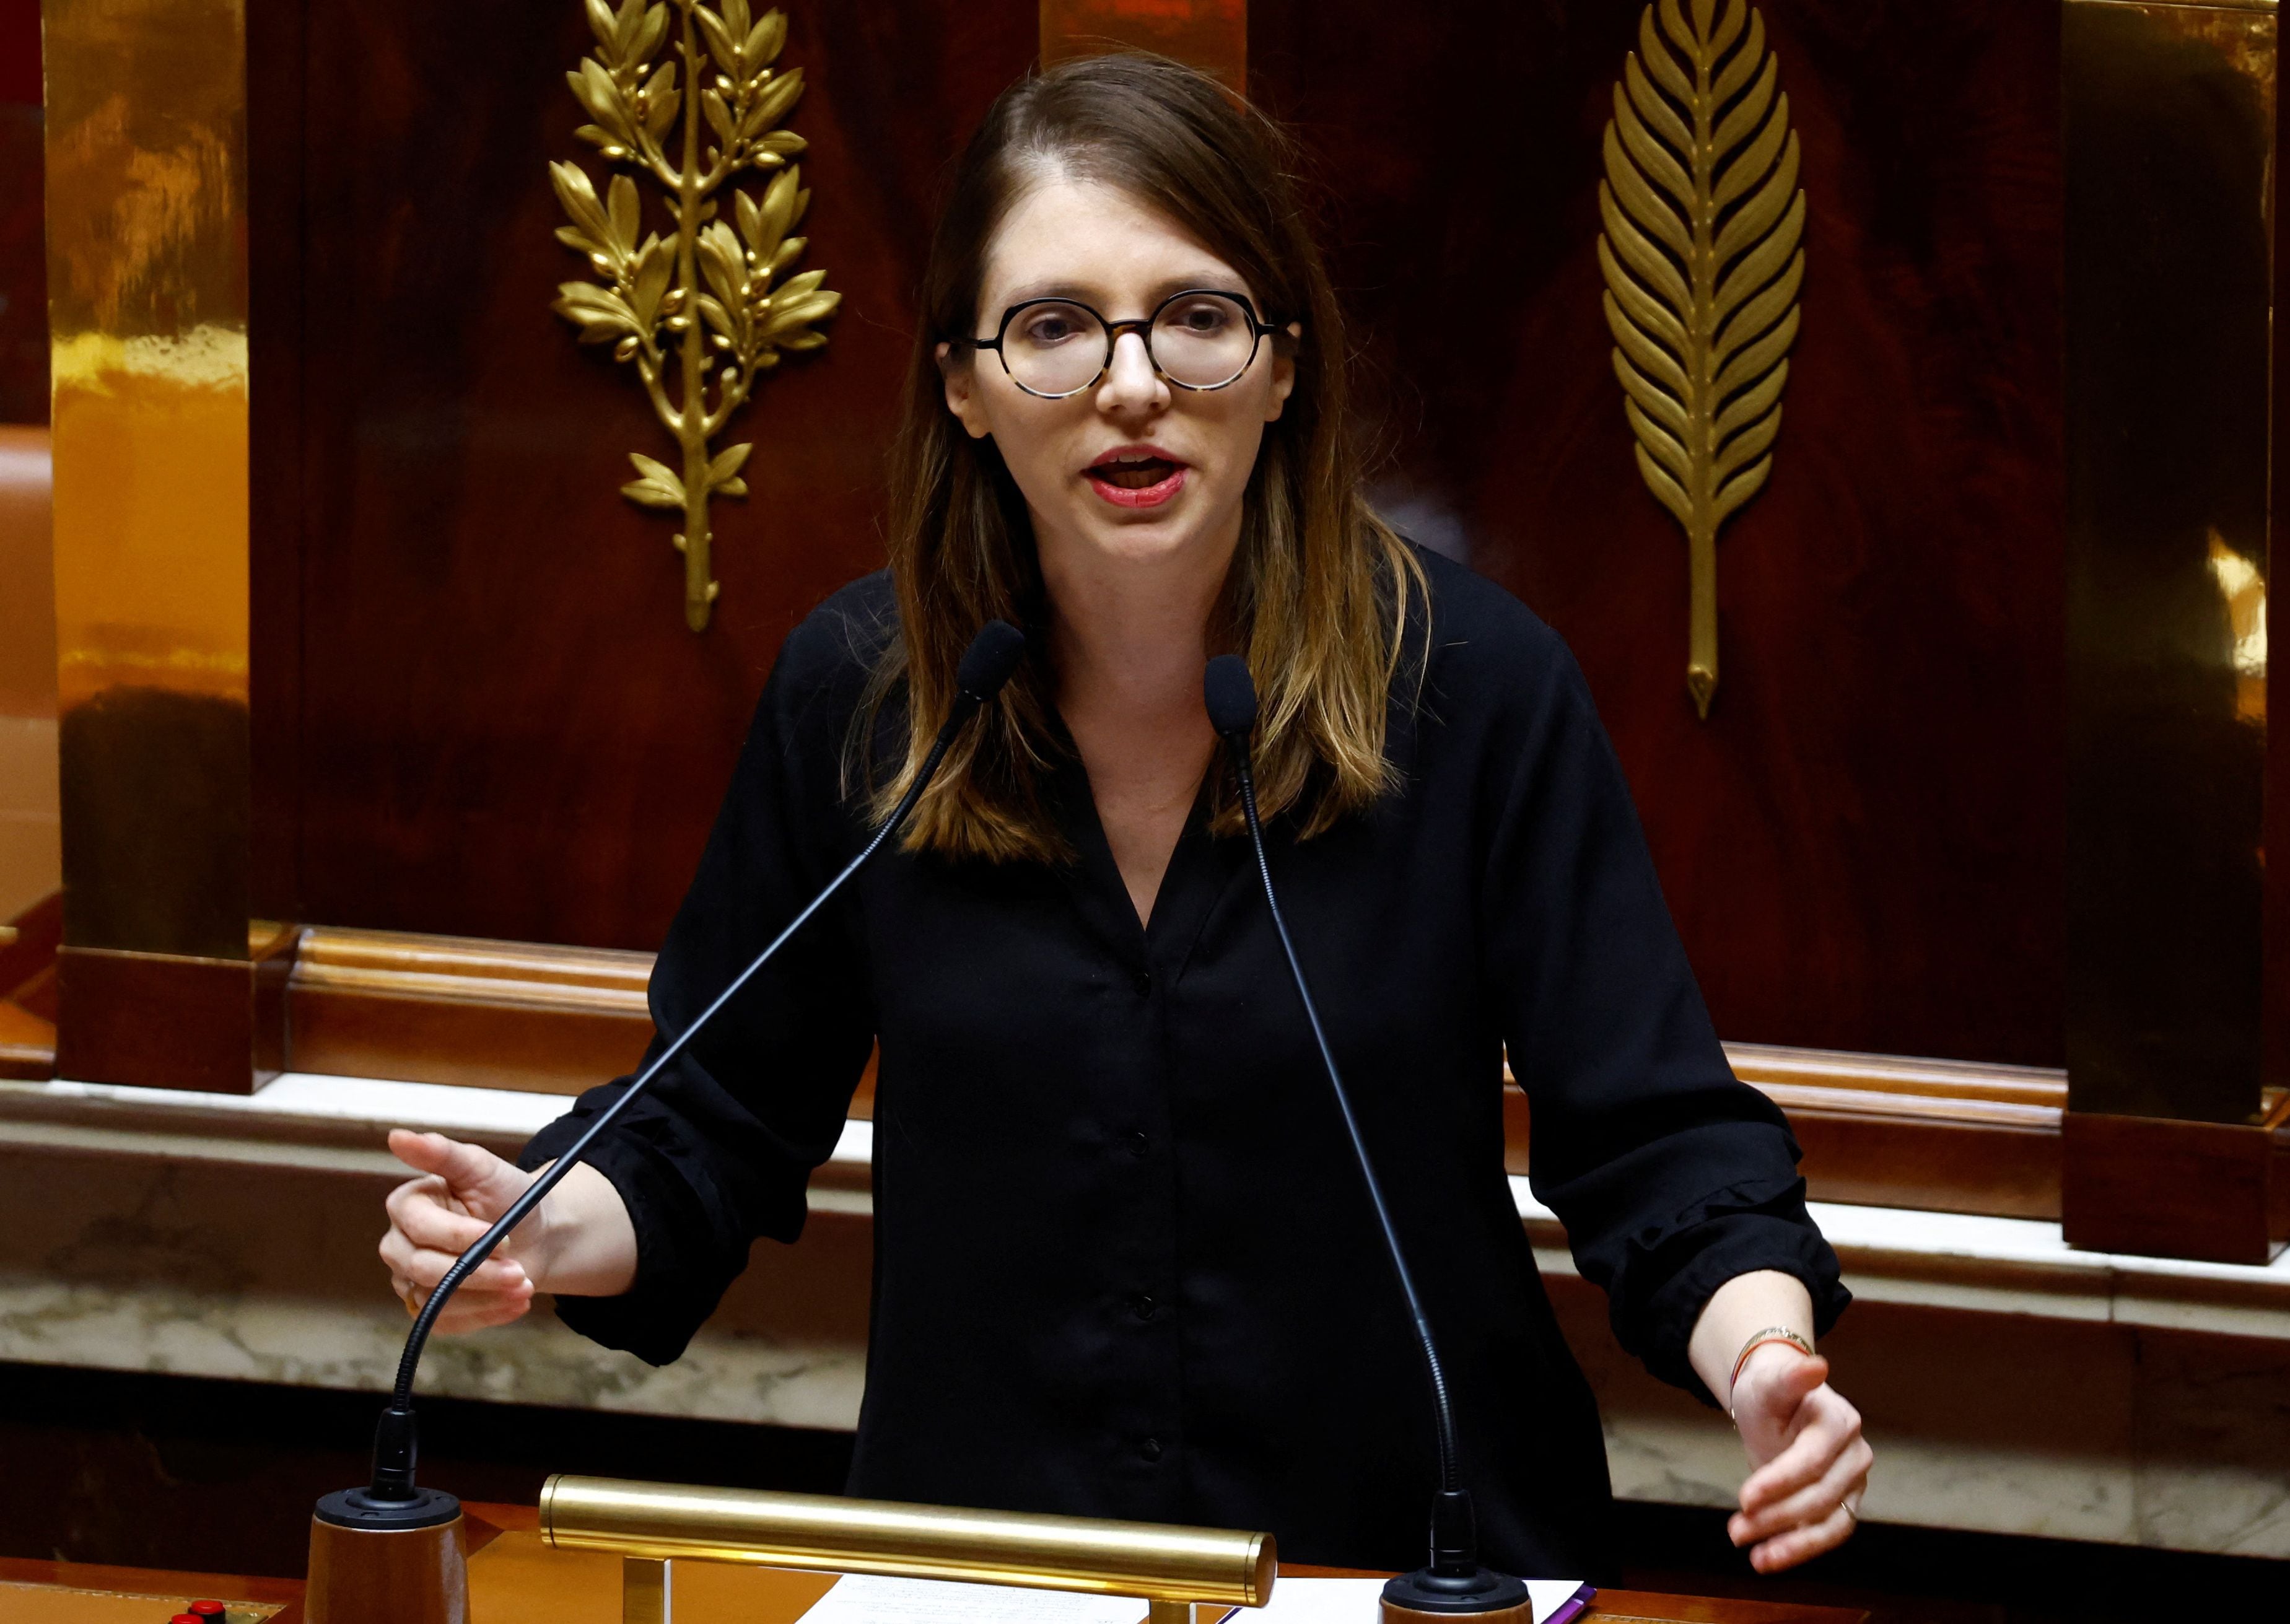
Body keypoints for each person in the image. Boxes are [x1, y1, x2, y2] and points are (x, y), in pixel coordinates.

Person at [377, 51, 1870, 1583]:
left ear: (1283, 365)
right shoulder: (867, 694)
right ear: (961, 383)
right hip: (994, 1574)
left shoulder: (1475, 690)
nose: (1133, 382)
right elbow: (721, 1112)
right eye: (1053, 328)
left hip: (1408, 1570)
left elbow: (1653, 1135)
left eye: (1199, 316)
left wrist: (1762, 1353)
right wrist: (550, 1229)